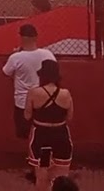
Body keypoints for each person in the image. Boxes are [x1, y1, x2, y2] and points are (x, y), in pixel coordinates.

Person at [4, 25, 56, 179]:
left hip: (23, 102)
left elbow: (6, 72)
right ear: (36, 37)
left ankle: (35, 169)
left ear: (22, 38)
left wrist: (17, 53)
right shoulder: (47, 54)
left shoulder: (16, 57)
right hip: (45, 100)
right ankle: (44, 167)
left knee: (30, 138)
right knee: (44, 136)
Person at [24, 59, 73, 191]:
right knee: (61, 178)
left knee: (41, 176)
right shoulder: (66, 94)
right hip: (61, 135)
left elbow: (27, 115)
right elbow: (69, 117)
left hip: (41, 136)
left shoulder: (34, 93)